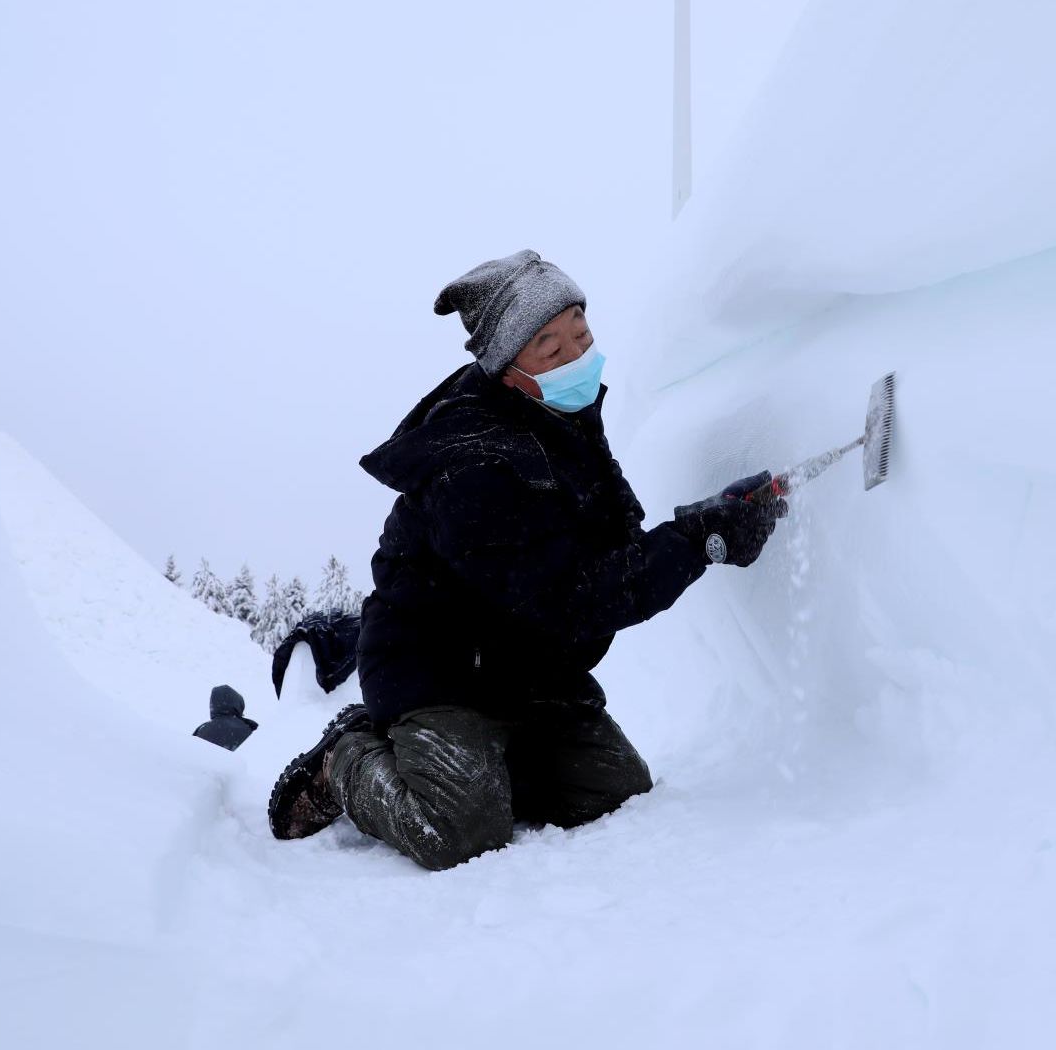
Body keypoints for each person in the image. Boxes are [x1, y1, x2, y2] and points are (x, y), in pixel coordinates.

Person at [266, 249, 786, 869]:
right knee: (459, 832)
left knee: (612, 791)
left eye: (580, 333)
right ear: (510, 369)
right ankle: (346, 757)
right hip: (437, 672)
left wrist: (707, 519)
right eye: (551, 346)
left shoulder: (563, 417)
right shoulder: (474, 463)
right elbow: (568, 599)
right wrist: (701, 540)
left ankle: (484, 758)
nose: (576, 356)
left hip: (523, 667)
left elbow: (612, 549)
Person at [192, 685, 257, 751]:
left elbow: (191, 752)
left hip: (207, 761)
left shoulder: (201, 729)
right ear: (238, 704)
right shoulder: (250, 727)